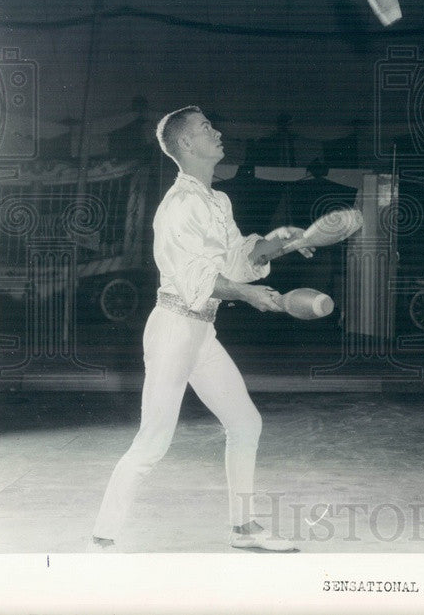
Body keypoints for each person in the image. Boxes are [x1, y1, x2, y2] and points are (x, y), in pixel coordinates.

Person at [89, 106, 312, 553]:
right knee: (153, 442)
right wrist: (249, 295)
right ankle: (103, 535)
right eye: (207, 127)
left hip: (201, 331)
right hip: (173, 329)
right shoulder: (178, 206)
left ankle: (243, 528)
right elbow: (196, 278)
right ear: (187, 144)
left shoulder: (217, 201)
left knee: (246, 423)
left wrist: (279, 242)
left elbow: (234, 260)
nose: (219, 131)